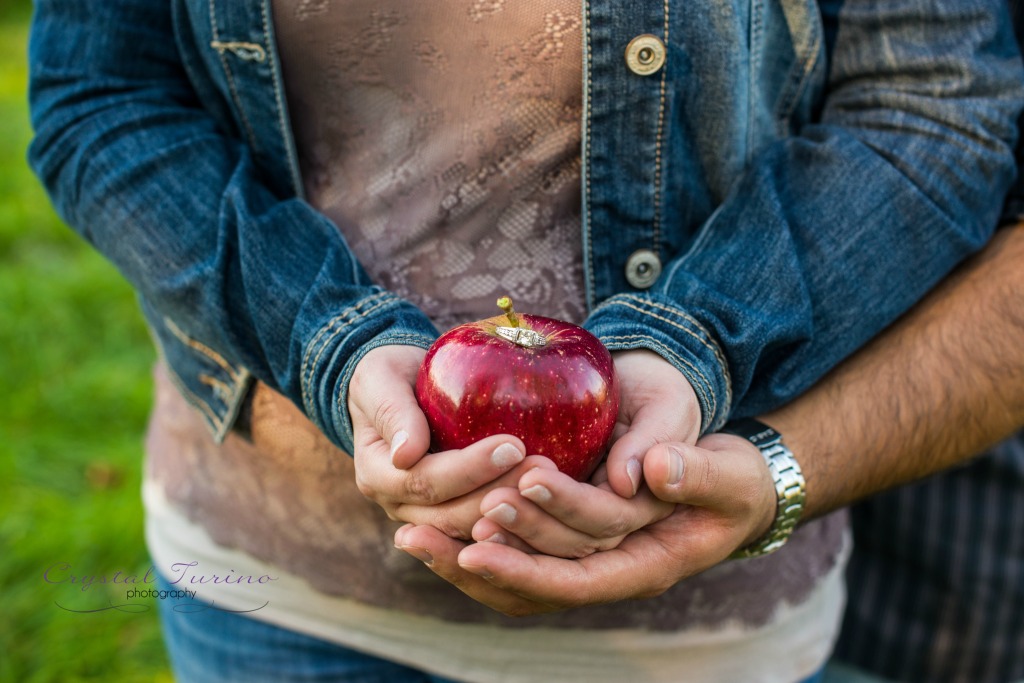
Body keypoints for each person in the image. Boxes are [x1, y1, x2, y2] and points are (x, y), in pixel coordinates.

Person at [27, 1, 1022, 683]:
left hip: (693, 618)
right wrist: (331, 341)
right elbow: (99, 93)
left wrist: (689, 343)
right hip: (267, 574)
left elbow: (927, 107)